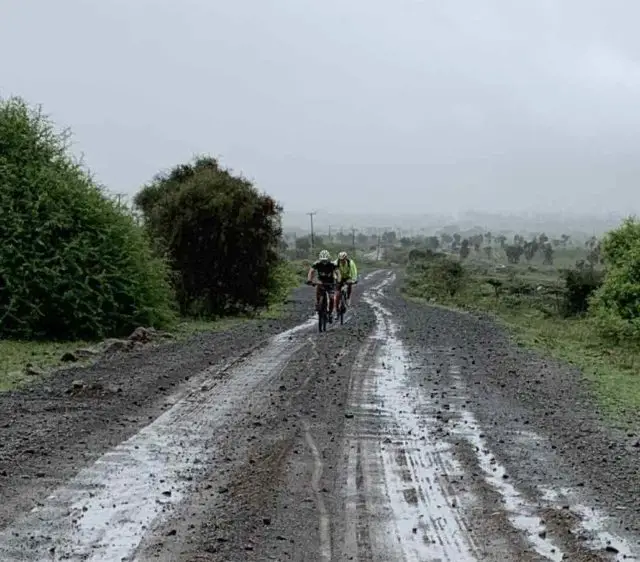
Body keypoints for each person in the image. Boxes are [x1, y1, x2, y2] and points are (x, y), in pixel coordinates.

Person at [306, 249, 340, 321]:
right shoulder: (317, 263)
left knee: (331, 298)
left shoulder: (332, 264)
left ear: (328, 259)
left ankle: (330, 313)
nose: (324, 262)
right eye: (322, 260)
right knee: (318, 290)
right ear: (320, 259)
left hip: (330, 282)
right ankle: (318, 303)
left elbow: (338, 273)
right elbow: (311, 271)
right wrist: (309, 280)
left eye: (325, 260)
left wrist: (339, 281)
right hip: (321, 281)